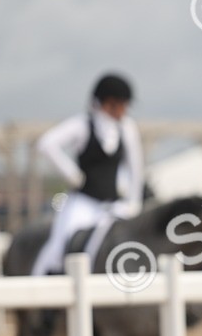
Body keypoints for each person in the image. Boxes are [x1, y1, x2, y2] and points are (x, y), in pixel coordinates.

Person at [31, 73, 144, 276]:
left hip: (114, 206)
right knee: (59, 244)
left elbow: (136, 167)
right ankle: (43, 283)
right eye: (123, 104)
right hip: (83, 203)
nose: (125, 110)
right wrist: (72, 174)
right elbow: (46, 144)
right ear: (110, 103)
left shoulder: (127, 128)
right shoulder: (82, 124)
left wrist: (134, 201)